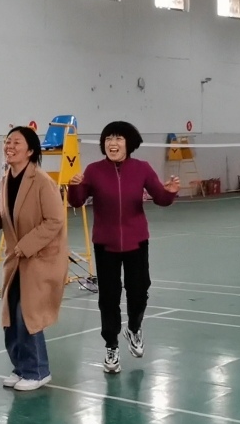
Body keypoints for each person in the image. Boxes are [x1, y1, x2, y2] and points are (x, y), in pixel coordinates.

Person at [67, 121, 179, 374]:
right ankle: (111, 346)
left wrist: (170, 192)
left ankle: (134, 328)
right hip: (105, 244)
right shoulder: (94, 170)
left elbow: (160, 198)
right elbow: (77, 201)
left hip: (136, 242)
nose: (112, 143)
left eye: (118, 138)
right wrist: (74, 186)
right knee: (108, 298)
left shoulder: (142, 168)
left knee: (139, 292)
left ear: (129, 143)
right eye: (108, 139)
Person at [0, 126, 68, 391]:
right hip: (16, 260)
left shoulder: (42, 182)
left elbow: (55, 220)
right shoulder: (5, 180)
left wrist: (27, 245)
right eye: (8, 142)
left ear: (30, 151)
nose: (10, 147)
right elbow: (8, 218)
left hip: (40, 260)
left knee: (27, 316)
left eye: (16, 143)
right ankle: (20, 368)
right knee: (10, 315)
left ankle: (38, 371)